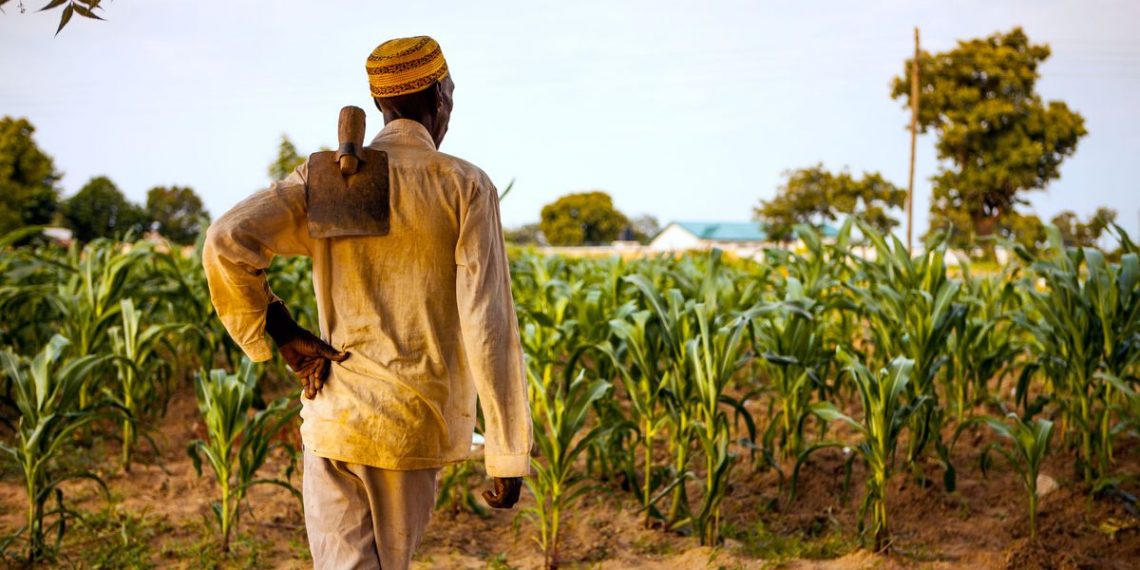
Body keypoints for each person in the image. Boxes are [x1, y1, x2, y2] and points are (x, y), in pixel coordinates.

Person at [202, 36, 532, 569]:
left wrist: (282, 330)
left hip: (334, 417)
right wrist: (507, 450)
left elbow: (225, 240)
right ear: (441, 96)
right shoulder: (462, 185)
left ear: (380, 102)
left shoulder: (328, 179)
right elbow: (487, 322)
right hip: (411, 424)